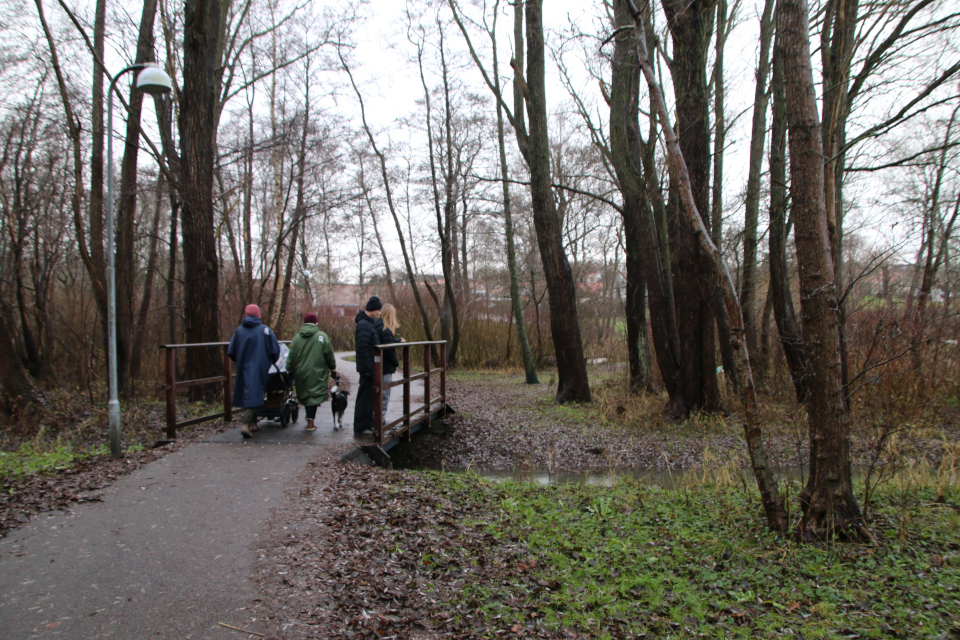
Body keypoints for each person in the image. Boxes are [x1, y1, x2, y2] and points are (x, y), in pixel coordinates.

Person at [228, 304, 280, 439]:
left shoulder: (239, 331)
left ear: (245, 314)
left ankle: (254, 423)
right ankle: (246, 424)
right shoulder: (265, 331)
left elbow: (231, 352)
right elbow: (275, 351)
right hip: (259, 367)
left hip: (243, 367)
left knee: (248, 393)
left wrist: (240, 359)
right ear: (258, 315)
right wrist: (270, 361)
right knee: (255, 394)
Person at [286, 312, 338, 432]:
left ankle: (310, 419)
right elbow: (329, 355)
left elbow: (291, 356)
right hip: (317, 372)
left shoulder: (297, 338)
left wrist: (289, 370)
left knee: (305, 395)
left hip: (300, 372)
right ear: (316, 322)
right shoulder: (322, 336)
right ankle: (310, 421)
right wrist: (333, 368)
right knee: (314, 396)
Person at [353, 296, 382, 436]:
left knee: (369, 397)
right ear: (373, 310)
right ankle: (360, 426)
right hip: (367, 368)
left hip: (369, 367)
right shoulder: (364, 325)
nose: (380, 313)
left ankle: (367, 423)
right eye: (379, 310)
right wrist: (368, 369)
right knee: (364, 397)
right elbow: (362, 348)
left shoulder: (367, 323)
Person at [379, 303, 403, 416]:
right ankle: (380, 421)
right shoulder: (386, 330)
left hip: (379, 367)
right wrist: (396, 363)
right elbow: (388, 349)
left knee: (379, 395)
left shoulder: (379, 328)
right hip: (385, 368)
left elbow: (387, 342)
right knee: (384, 395)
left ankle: (377, 420)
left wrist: (397, 341)